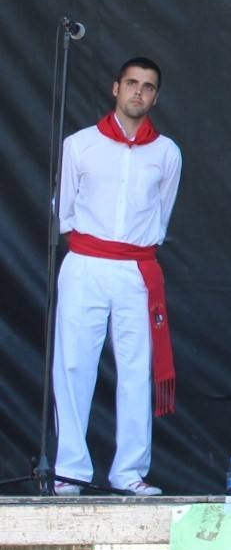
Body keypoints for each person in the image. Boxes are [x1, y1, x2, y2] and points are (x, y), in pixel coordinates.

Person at [51, 57, 182, 497]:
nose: (138, 93)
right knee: (73, 364)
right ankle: (70, 471)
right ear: (115, 88)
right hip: (86, 262)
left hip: (135, 269)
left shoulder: (167, 153)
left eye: (148, 87)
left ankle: (129, 472)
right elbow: (64, 209)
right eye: (132, 84)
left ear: (155, 96)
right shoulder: (80, 145)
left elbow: (161, 214)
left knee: (135, 369)